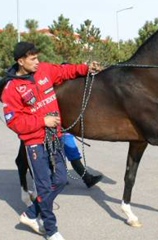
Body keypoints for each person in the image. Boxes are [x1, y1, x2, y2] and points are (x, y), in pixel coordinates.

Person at [1, 41, 99, 240]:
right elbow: (14, 122)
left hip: (56, 137)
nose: (37, 61)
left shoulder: (45, 70)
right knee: (44, 186)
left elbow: (65, 72)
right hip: (35, 142)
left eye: (37, 57)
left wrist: (86, 68)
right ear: (21, 61)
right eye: (32, 59)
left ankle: (30, 213)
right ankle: (51, 229)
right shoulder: (11, 89)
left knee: (61, 179)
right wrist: (42, 121)